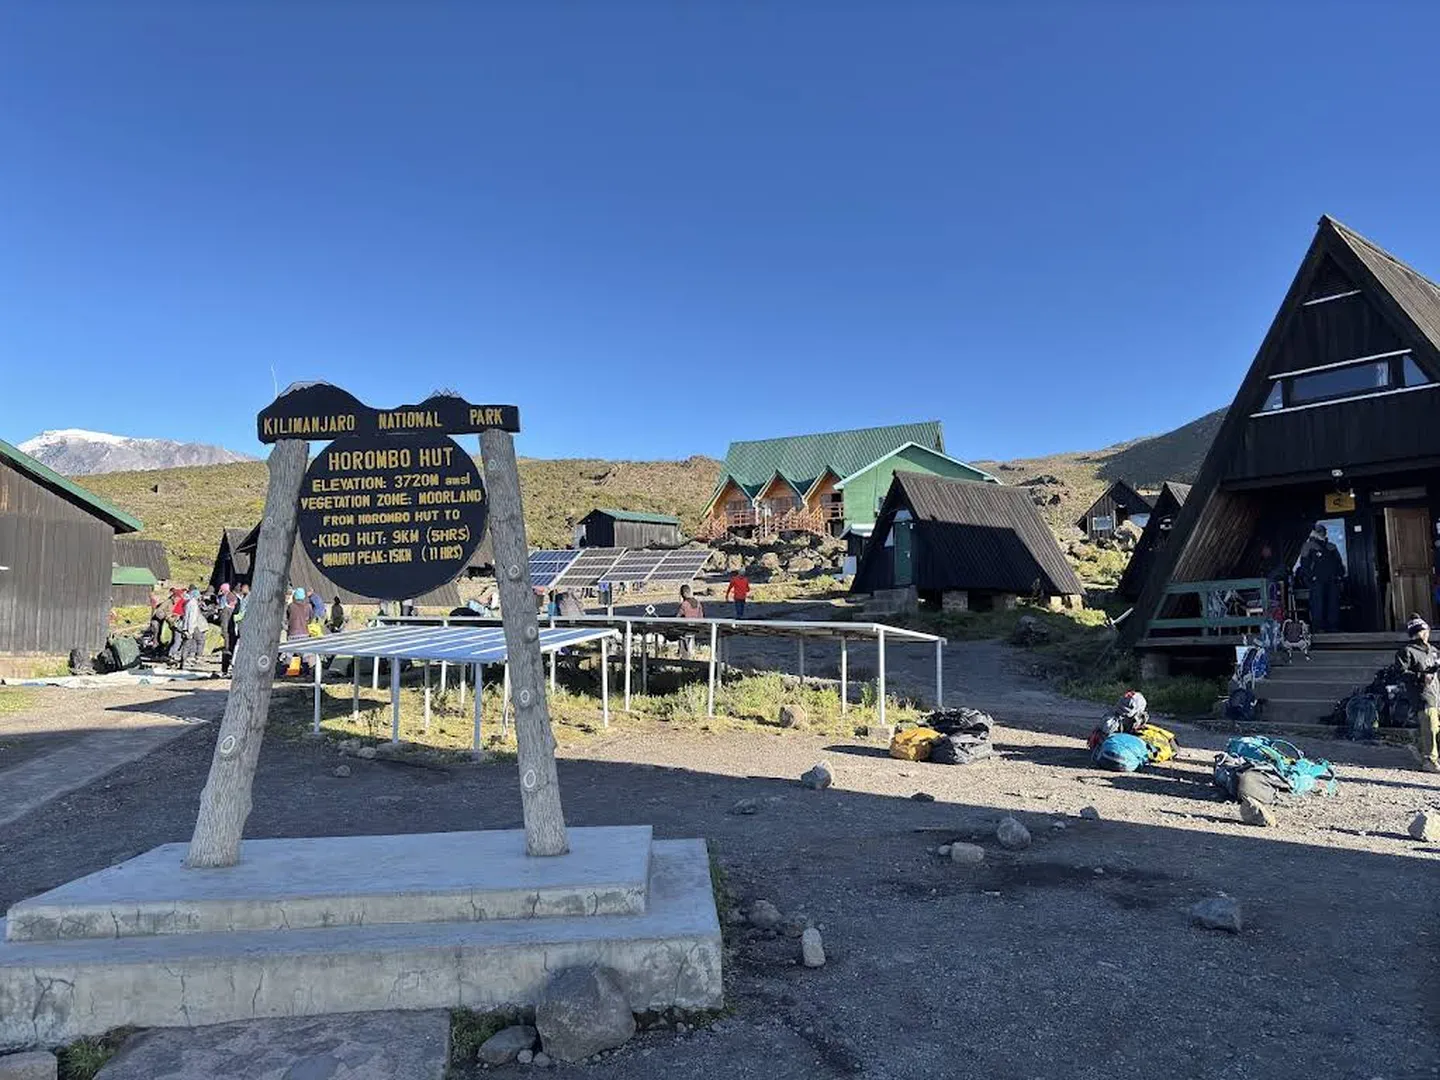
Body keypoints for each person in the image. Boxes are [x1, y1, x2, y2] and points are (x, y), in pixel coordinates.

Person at [1396, 614, 1440, 774]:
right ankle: (1429, 760)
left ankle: (1430, 754)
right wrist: (1421, 676)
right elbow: (1401, 673)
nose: (1425, 634)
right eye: (1422, 631)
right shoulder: (1407, 651)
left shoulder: (1433, 650)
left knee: (1436, 728)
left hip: (1437, 693)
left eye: (1426, 630)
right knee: (1430, 727)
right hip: (1423, 695)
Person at [1300, 525, 1344, 632]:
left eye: (1323, 531)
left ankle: (1333, 627)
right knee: (1318, 604)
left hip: (1332, 580)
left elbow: (1338, 562)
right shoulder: (1307, 546)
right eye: (1319, 531)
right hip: (1317, 581)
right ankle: (1318, 628)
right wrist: (1311, 577)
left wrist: (1339, 575)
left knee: (1333, 604)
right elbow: (1304, 565)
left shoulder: (1331, 546)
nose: (1321, 533)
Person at [285, 588, 312, 675]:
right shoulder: (308, 606)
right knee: (305, 653)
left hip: (292, 633)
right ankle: (306, 671)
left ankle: (285, 670)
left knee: (289, 653)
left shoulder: (290, 606)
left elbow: (286, 619)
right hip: (304, 632)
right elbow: (310, 619)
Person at [178, 587, 205, 670]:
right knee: (191, 642)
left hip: (188, 626)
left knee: (188, 643)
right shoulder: (193, 604)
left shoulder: (189, 603)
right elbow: (191, 618)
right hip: (191, 626)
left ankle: (184, 661)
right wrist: (190, 630)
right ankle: (187, 660)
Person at [677, 584, 703, 657]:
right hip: (696, 628)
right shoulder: (698, 603)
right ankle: (690, 652)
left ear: (683, 594)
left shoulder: (684, 604)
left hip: (685, 629)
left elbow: (677, 618)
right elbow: (701, 617)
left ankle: (683, 654)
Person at [216, 583, 237, 676]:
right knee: (228, 650)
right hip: (230, 633)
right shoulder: (228, 609)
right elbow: (224, 624)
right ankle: (226, 669)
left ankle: (227, 668)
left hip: (231, 633)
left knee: (229, 650)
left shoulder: (229, 609)